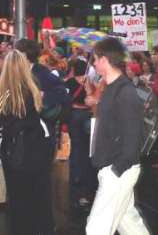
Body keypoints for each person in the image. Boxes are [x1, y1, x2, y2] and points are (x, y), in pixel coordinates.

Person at [86, 37, 150, 235]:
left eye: (95, 59)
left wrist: (116, 170)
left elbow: (133, 135)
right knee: (129, 223)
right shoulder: (112, 88)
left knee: (96, 229)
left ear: (104, 60)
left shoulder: (125, 92)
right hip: (116, 168)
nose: (93, 63)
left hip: (119, 169)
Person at [0, 50, 55, 235]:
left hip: (15, 154)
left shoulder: (3, 92)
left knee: (19, 202)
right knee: (40, 197)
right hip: (38, 151)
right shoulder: (34, 87)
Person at [65, 59, 96, 209]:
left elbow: (66, 100)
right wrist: (87, 86)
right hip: (87, 116)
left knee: (76, 148)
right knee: (87, 148)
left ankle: (76, 178)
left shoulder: (69, 82)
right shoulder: (89, 81)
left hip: (75, 115)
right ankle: (87, 182)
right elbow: (91, 98)